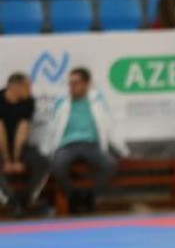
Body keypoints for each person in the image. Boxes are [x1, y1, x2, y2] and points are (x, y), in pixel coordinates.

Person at [40, 67, 129, 214]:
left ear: (86, 84)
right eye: (70, 83)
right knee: (57, 164)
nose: (72, 86)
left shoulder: (97, 102)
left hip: (91, 145)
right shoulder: (62, 103)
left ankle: (91, 197)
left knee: (110, 163)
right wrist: (46, 149)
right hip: (67, 145)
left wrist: (122, 150)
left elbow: (109, 126)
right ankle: (73, 196)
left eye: (76, 82)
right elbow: (52, 128)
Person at [0, 73, 47, 216]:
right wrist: (7, 161)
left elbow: (23, 129)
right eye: (27, 86)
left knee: (43, 162)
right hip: (1, 145)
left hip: (21, 147)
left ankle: (27, 198)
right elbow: (0, 131)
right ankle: (11, 200)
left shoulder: (28, 101)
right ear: (15, 87)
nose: (30, 90)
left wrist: (17, 160)